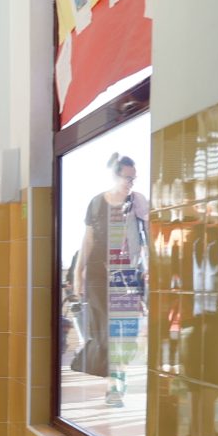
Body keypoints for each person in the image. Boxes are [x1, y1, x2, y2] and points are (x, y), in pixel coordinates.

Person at [73, 153, 149, 406]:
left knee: (123, 334)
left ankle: (116, 385)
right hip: (97, 273)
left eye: (134, 178)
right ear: (114, 176)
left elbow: (148, 237)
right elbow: (88, 240)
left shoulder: (137, 202)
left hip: (125, 275)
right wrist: (78, 273)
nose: (131, 183)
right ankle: (113, 385)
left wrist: (149, 269)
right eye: (127, 178)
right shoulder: (97, 203)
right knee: (107, 332)